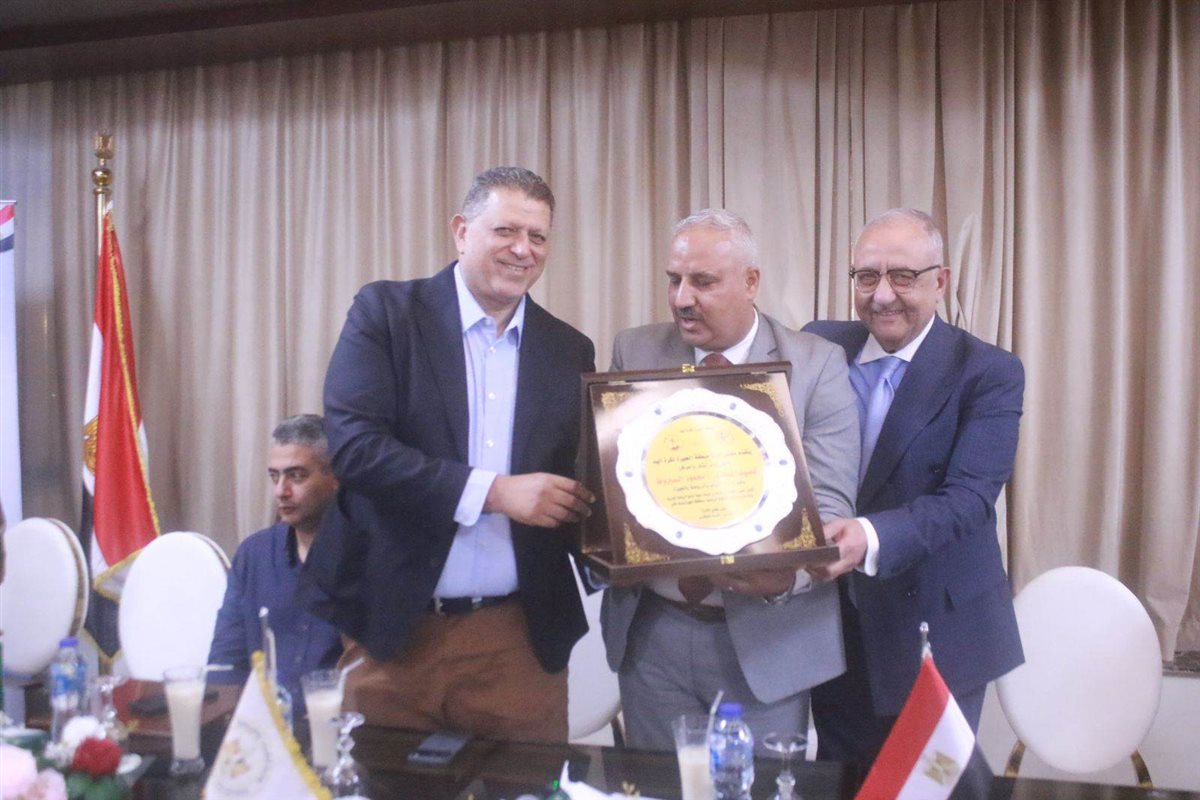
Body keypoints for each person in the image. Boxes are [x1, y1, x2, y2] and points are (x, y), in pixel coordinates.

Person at [303, 166, 595, 743]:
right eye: (506, 231)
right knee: (381, 783)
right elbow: (356, 449)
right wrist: (495, 492)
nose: (523, 249)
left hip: (518, 641)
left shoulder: (569, 350)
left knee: (523, 786)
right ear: (462, 231)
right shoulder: (386, 314)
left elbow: (585, 480)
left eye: (537, 236)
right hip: (394, 633)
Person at [600, 209, 859, 752]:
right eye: (674, 280)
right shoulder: (635, 350)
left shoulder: (816, 365)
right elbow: (614, 485)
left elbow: (830, 504)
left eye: (703, 281)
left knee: (755, 788)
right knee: (657, 788)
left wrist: (786, 579)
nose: (682, 298)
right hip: (655, 634)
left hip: (768, 639)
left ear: (751, 282)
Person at [803, 208, 1024, 772]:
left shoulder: (988, 371)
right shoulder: (819, 347)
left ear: (940, 281)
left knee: (929, 786)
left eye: (903, 276)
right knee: (842, 782)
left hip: (937, 636)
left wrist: (867, 536)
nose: (882, 295)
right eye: (867, 276)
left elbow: (968, 500)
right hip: (836, 632)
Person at [208, 414, 342, 708]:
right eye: (274, 476)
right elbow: (226, 665)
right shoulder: (253, 555)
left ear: (335, 477)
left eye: (297, 476)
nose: (281, 491)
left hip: (336, 722)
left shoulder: (368, 557)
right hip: (261, 724)